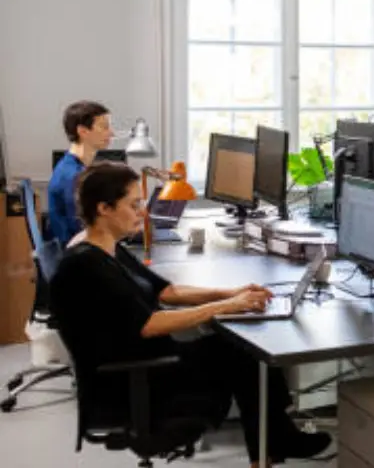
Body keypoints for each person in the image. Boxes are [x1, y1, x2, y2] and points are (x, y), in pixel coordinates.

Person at [49, 163, 331, 467]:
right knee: (243, 354)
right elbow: (148, 325)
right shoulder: (85, 266)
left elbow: (167, 291)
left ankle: (273, 445)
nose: (143, 212)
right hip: (135, 380)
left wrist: (230, 293)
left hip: (149, 360)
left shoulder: (109, 250)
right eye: (134, 205)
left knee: (242, 351)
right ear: (104, 209)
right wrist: (226, 307)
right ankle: (275, 444)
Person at [48, 100, 113, 246]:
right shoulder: (74, 176)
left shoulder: (71, 166)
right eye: (104, 127)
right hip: (78, 253)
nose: (111, 133)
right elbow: (84, 228)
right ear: (83, 131)